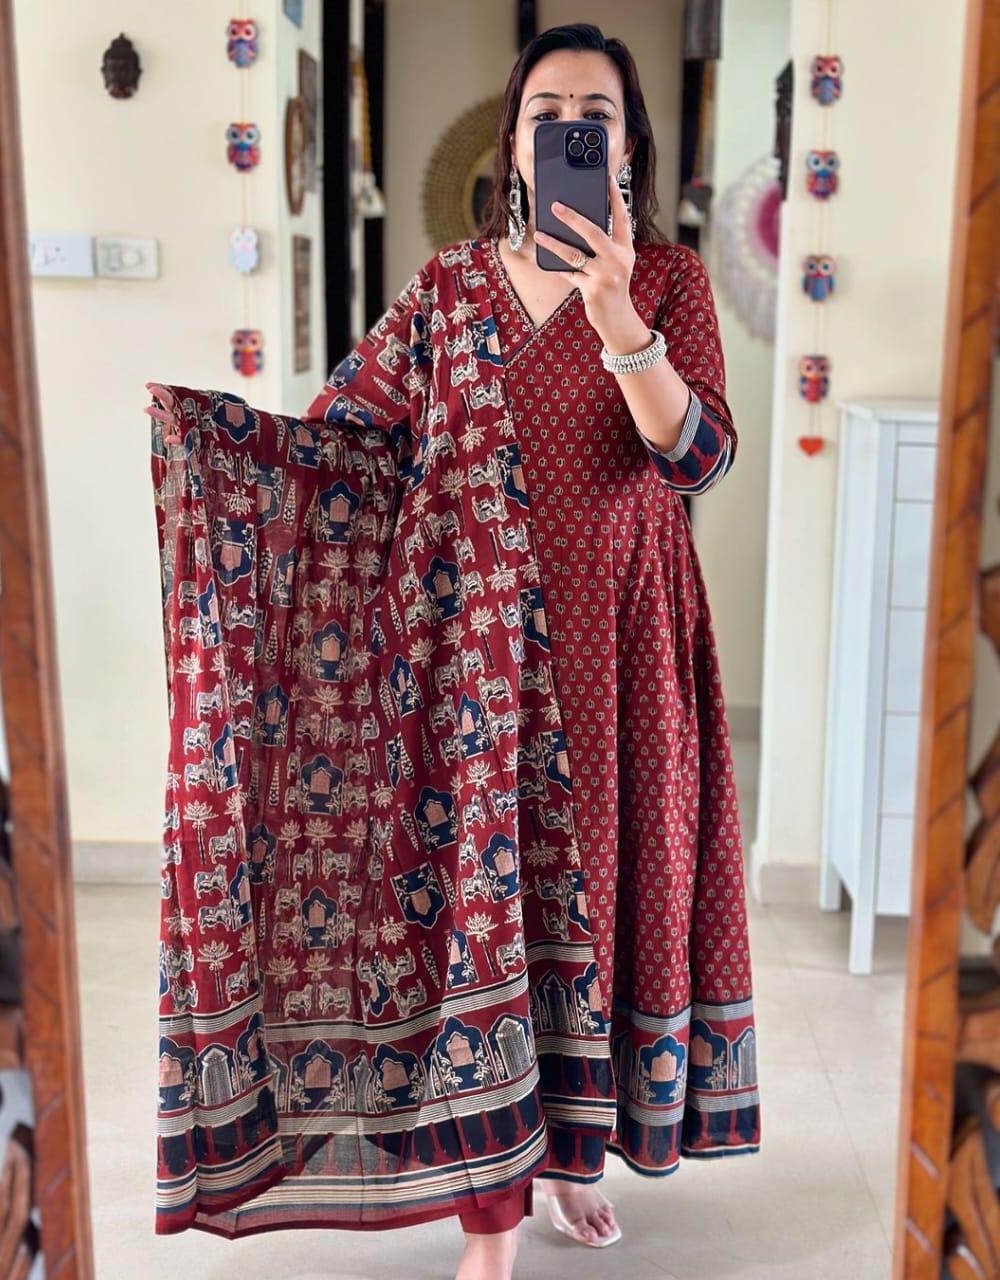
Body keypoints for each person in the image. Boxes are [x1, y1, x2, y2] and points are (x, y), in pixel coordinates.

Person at [147, 23, 759, 1280]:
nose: (570, 127)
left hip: (625, 643)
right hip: (473, 661)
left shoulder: (669, 282)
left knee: (601, 899)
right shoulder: (447, 289)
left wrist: (617, 317)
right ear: (517, 143)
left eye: (595, 111)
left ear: (626, 145)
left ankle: (570, 1157)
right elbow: (343, 438)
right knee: (488, 912)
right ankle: (494, 1218)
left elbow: (698, 458)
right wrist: (215, 444)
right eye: (547, 110)